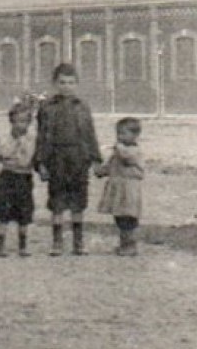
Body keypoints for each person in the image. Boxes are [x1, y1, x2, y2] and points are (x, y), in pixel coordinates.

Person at [35, 62, 103, 256]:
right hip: (56, 157)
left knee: (78, 200)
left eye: (71, 82)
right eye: (62, 82)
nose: (67, 86)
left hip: (78, 157)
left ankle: (78, 242)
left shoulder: (82, 107)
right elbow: (41, 135)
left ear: (77, 84)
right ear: (55, 83)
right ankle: (57, 242)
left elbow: (90, 134)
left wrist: (96, 159)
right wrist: (40, 162)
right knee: (56, 201)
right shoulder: (47, 107)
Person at [96, 116, 145, 256]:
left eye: (124, 133)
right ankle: (123, 244)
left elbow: (127, 158)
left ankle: (131, 245)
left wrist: (118, 148)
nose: (119, 137)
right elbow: (110, 166)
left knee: (129, 218)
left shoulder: (134, 150)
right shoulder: (119, 152)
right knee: (120, 218)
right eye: (118, 134)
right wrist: (100, 170)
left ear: (135, 135)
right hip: (118, 188)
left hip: (129, 189)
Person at [0, 102, 37, 257]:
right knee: (4, 212)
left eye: (25, 121)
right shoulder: (5, 137)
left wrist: (16, 153)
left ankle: (23, 245)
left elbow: (26, 160)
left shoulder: (32, 139)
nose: (21, 125)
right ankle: (1, 244)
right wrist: (14, 151)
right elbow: (3, 154)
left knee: (24, 213)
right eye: (18, 121)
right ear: (11, 121)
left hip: (24, 177)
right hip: (7, 177)